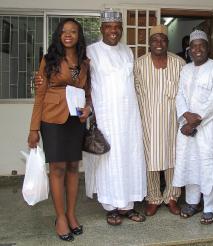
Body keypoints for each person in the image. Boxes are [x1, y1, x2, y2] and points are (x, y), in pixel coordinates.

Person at [28, 18, 91, 241]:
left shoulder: (84, 62)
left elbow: (88, 92)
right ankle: (60, 217)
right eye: (64, 31)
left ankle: (71, 214)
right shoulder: (50, 60)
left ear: (78, 36)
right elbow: (40, 95)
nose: (68, 34)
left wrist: (88, 109)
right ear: (58, 34)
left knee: (73, 167)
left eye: (73, 31)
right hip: (52, 119)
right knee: (57, 168)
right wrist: (33, 128)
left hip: (75, 120)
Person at [84, 9, 147, 226]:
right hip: (106, 116)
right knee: (110, 160)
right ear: (101, 29)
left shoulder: (127, 51)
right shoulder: (91, 52)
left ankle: (127, 206)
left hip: (130, 116)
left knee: (130, 157)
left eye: (117, 27)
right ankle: (111, 207)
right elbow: (82, 81)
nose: (113, 31)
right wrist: (88, 107)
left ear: (121, 29)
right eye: (109, 27)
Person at [172, 30, 213, 224]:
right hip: (187, 127)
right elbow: (180, 95)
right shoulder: (185, 70)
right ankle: (192, 202)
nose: (197, 49)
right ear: (189, 50)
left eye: (201, 45)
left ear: (208, 48)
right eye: (193, 46)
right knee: (190, 164)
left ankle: (210, 207)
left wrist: (195, 121)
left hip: (208, 127)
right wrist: (185, 117)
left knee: (208, 166)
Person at [134, 25, 185, 216]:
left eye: (163, 39)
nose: (159, 43)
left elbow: (185, 93)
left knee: (173, 159)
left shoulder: (179, 63)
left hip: (173, 122)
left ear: (168, 42)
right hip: (147, 121)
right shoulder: (139, 64)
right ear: (149, 43)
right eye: (155, 39)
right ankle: (154, 197)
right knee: (150, 160)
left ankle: (172, 197)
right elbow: (134, 92)